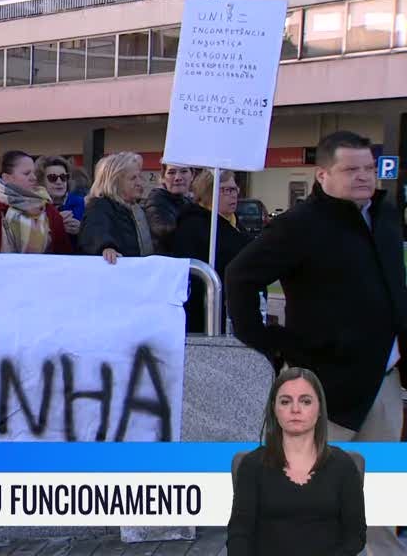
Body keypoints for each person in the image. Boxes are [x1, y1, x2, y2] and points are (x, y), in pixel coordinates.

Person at [226, 131, 407, 555]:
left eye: (369, 168)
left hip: (382, 378)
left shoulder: (383, 215)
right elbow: (240, 275)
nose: (363, 177)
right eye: (351, 170)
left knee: (381, 490)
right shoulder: (301, 225)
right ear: (323, 174)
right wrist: (265, 340)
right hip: (325, 381)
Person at [227, 367, 366, 556]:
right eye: (285, 401)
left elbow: (355, 536)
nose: (295, 409)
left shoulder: (343, 465)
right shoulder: (252, 465)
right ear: (274, 409)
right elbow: (239, 535)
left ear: (319, 410)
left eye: (305, 401)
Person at [172, 170, 251, 333]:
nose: (233, 195)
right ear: (209, 192)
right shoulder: (193, 225)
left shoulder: (234, 223)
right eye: (226, 190)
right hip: (204, 316)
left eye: (234, 189)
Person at [0, 151, 72, 254]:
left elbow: (64, 256)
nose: (33, 178)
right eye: (26, 173)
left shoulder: (48, 210)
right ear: (6, 178)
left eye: (34, 173)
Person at [78, 151, 153, 263]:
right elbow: (97, 230)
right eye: (133, 178)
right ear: (114, 182)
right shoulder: (100, 206)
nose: (139, 182)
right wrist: (106, 247)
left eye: (139, 176)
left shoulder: (136, 210)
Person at [143, 162, 194, 254]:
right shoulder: (156, 200)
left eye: (184, 171)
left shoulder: (191, 203)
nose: (178, 177)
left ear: (192, 175)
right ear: (163, 177)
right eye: (171, 172)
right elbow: (163, 231)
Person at [36, 155, 82, 239]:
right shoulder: (34, 206)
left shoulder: (81, 203)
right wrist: (54, 224)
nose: (59, 182)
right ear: (41, 181)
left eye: (63, 177)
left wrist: (82, 230)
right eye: (52, 178)